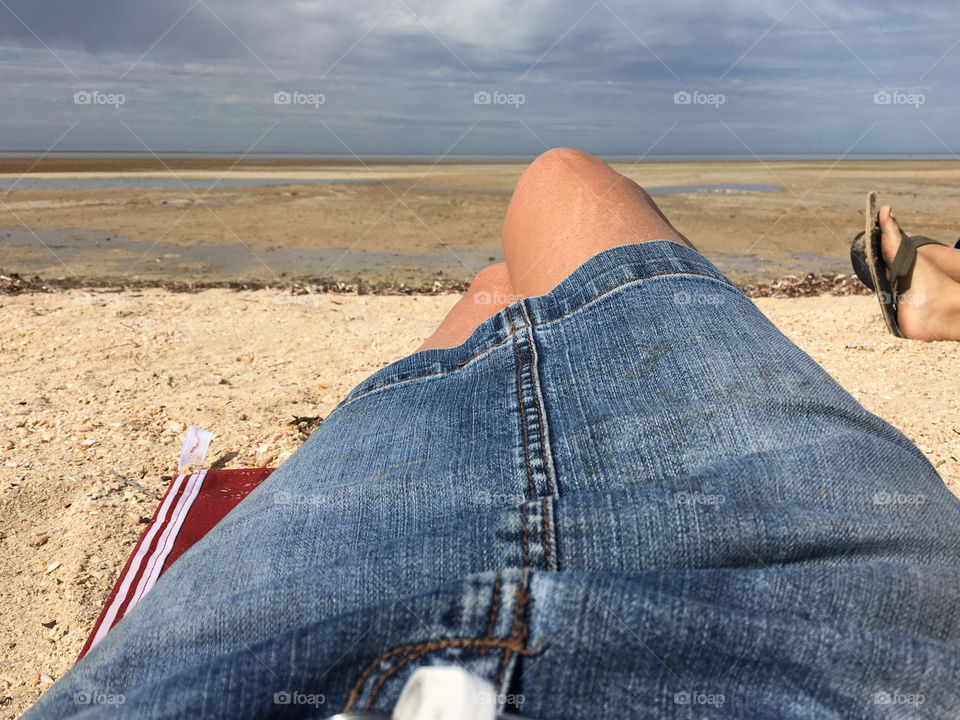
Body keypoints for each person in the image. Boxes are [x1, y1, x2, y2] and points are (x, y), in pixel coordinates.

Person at [25, 149, 960, 719]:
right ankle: (925, 274)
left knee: (536, 224)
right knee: (524, 248)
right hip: (836, 627)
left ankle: (493, 317)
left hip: (835, 608)